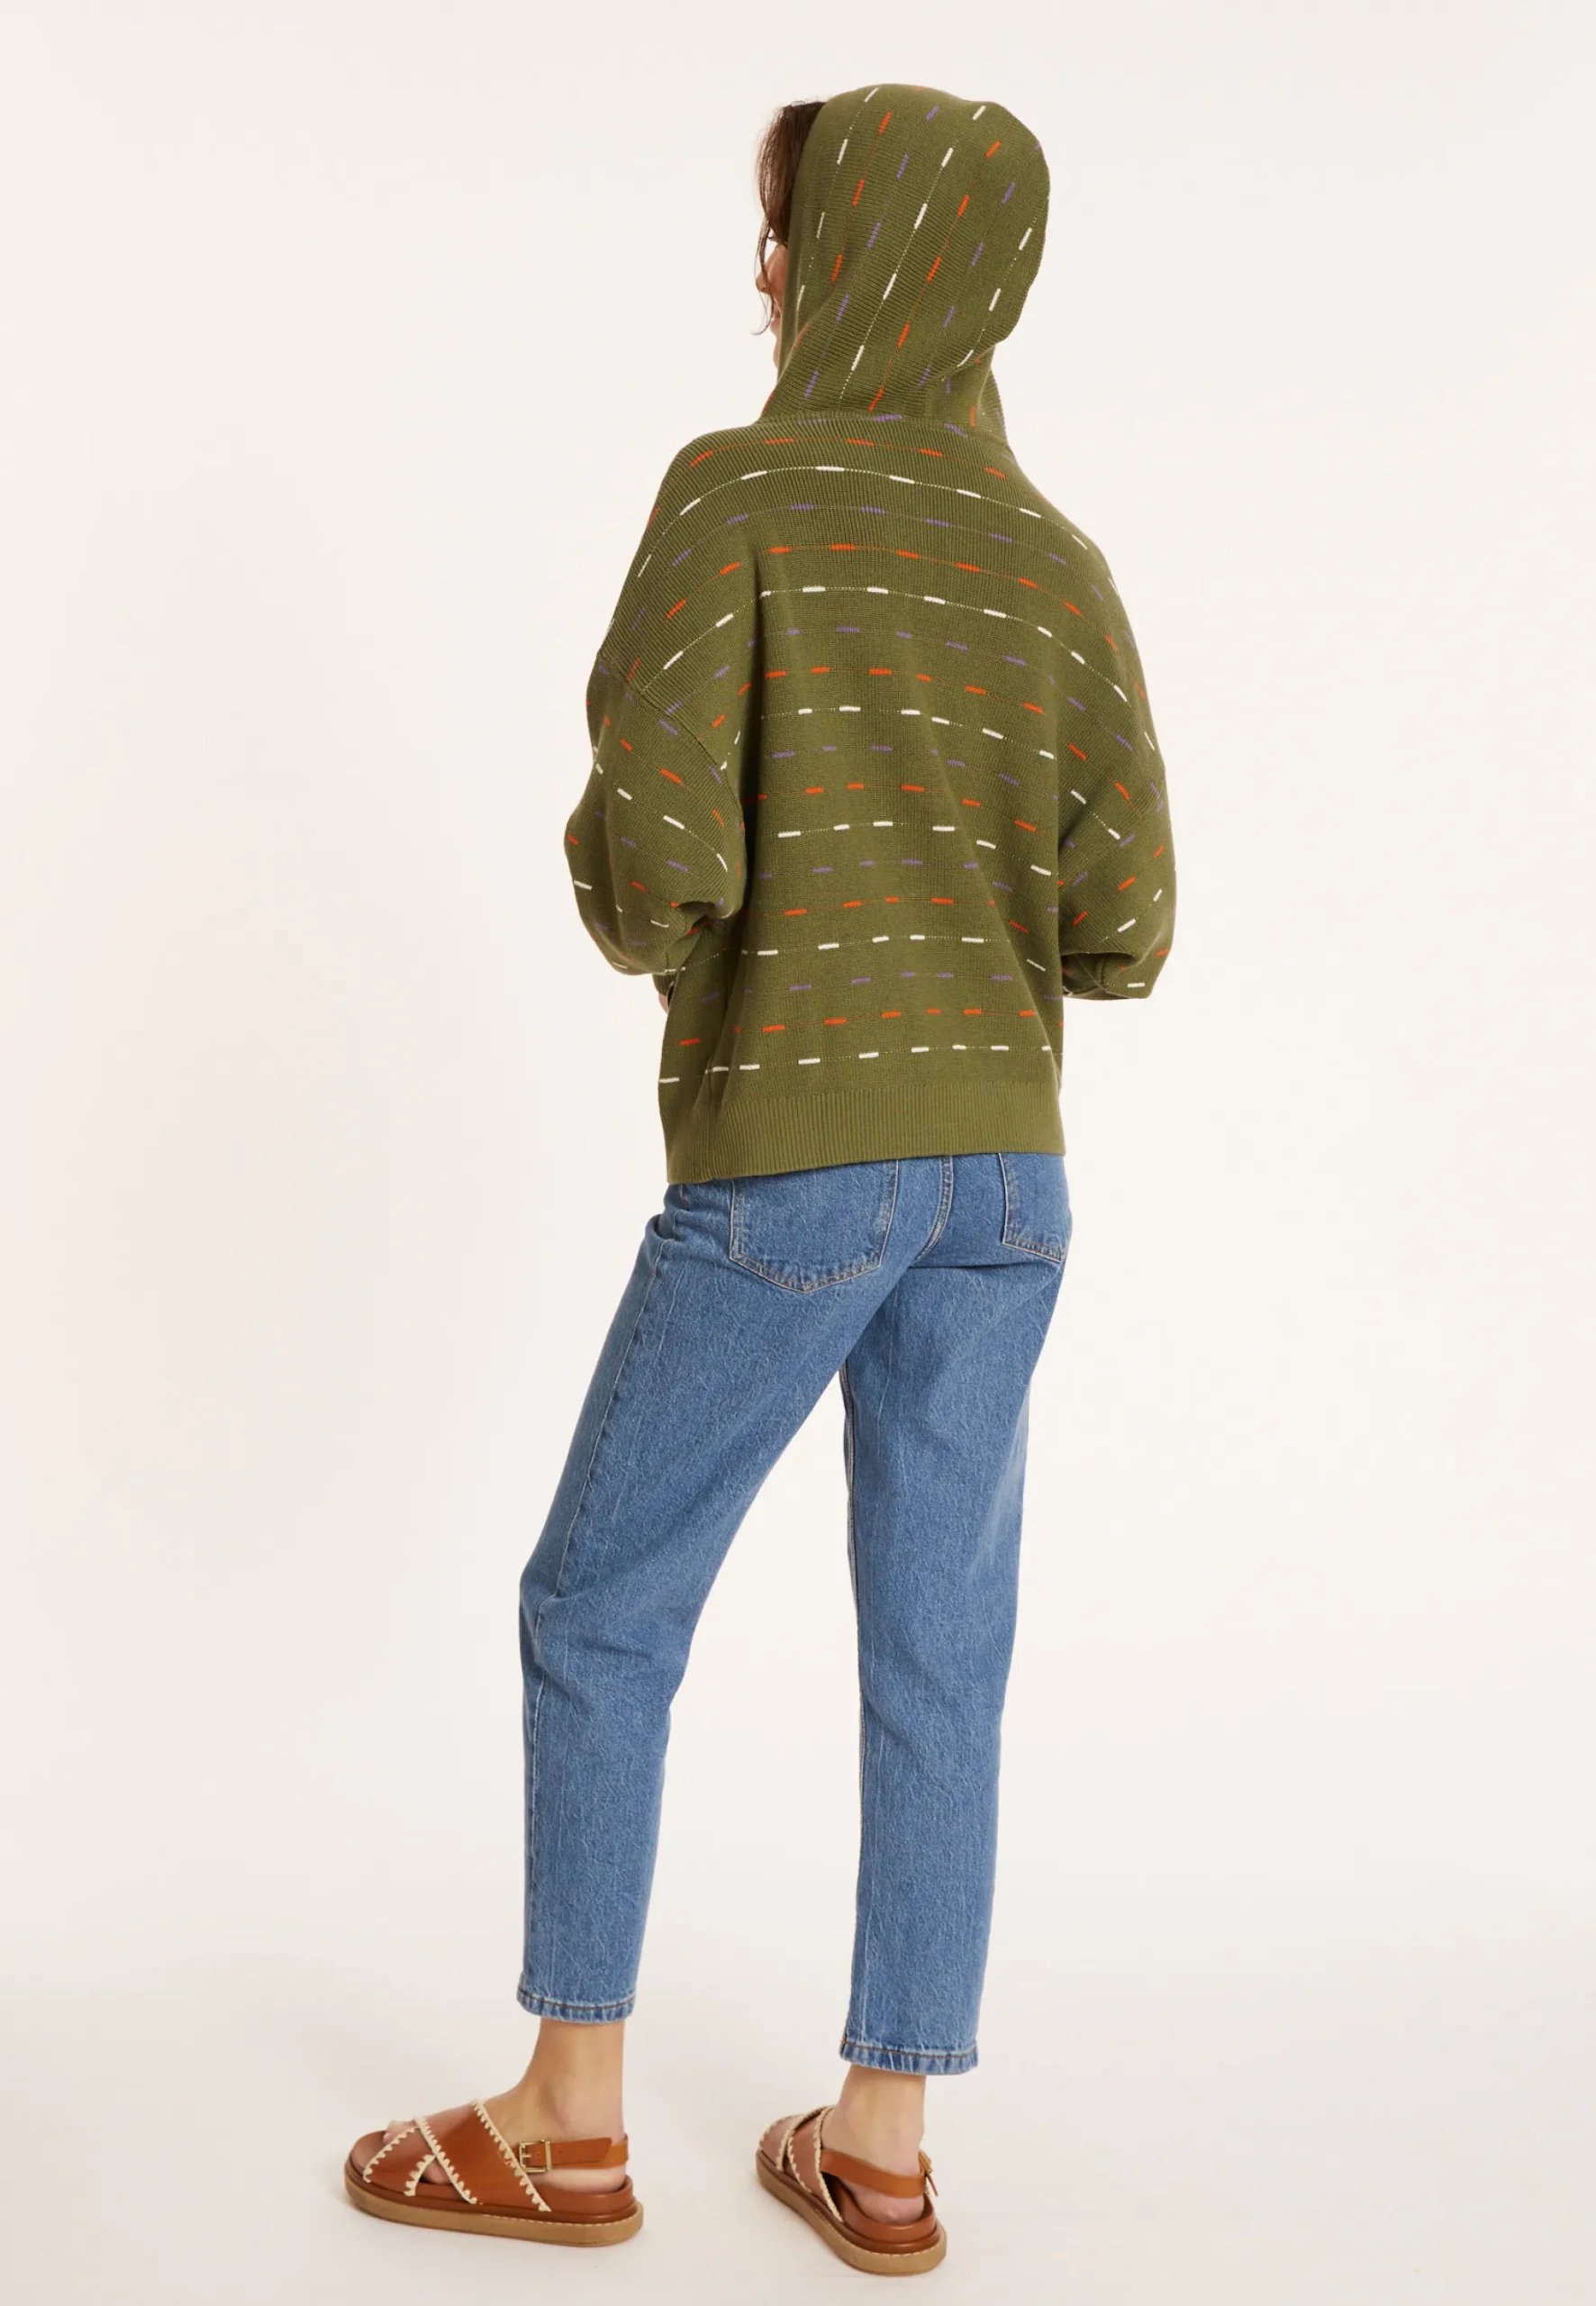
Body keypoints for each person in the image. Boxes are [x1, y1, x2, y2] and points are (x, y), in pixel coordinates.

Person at [343, 80, 1175, 2275]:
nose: (767, 266)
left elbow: (656, 874)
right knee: (940, 1647)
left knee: (600, 1602)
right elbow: (1125, 930)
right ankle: (883, 2144)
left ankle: (566, 2118)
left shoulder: (741, 496)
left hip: (795, 1160)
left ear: (874, 254)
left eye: (793, 227)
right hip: (1006, 1180)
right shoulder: (1058, 566)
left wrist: (651, 863)